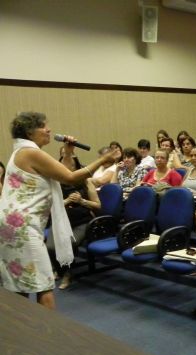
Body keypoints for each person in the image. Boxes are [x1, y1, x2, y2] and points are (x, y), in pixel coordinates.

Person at [0, 111, 114, 309]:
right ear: (29, 132)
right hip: (23, 228)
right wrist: (104, 160)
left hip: (13, 225)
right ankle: (48, 328)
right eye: (43, 126)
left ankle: (25, 324)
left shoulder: (21, 151)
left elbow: (60, 174)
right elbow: (70, 178)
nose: (49, 130)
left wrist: (68, 153)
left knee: (21, 282)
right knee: (43, 284)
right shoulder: (30, 152)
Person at [47, 145, 102, 290]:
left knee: (69, 244)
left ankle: (68, 274)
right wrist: (66, 201)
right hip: (60, 221)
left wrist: (82, 201)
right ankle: (60, 269)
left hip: (81, 222)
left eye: (69, 159)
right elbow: (49, 206)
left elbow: (98, 205)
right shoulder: (55, 183)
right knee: (50, 247)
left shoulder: (86, 181)